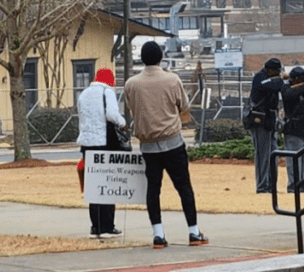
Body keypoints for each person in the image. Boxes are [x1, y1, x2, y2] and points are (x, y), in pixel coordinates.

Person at [124, 41, 208, 249]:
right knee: (184, 188)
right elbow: (184, 107)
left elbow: (130, 107)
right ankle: (193, 232)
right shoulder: (172, 80)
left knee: (153, 189)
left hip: (148, 145)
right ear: (160, 58)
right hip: (172, 141)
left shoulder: (131, 84)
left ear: (141, 59)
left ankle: (158, 234)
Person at [76, 68, 127, 238]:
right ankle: (107, 226)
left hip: (87, 144)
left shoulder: (83, 94)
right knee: (107, 184)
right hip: (104, 143)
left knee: (93, 187)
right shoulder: (107, 92)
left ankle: (95, 226)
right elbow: (112, 114)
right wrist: (122, 122)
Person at [247, 57, 286, 193]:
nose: (278, 73)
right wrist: (282, 79)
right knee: (262, 155)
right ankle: (262, 185)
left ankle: (271, 184)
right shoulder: (259, 77)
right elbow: (274, 85)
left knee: (274, 154)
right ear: (270, 70)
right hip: (259, 119)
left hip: (270, 119)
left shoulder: (270, 78)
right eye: (277, 71)